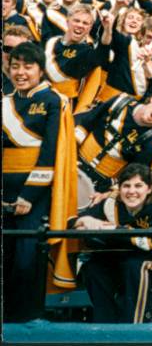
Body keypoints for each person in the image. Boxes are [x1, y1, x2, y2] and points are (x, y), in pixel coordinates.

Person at [2, 41, 77, 321]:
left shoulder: (52, 100)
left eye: (28, 66)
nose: (21, 72)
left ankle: (26, 323)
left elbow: (50, 153)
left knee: (26, 262)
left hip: (32, 197)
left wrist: (29, 196)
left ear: (40, 70)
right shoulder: (5, 102)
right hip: (3, 195)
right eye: (15, 66)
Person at [74, 163, 152, 323]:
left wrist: (111, 228)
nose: (132, 191)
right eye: (126, 186)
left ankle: (132, 328)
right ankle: (105, 326)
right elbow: (75, 222)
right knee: (93, 268)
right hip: (123, 255)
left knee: (135, 266)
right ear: (119, 188)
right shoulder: (112, 201)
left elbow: (148, 242)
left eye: (138, 185)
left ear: (149, 188)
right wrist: (86, 219)